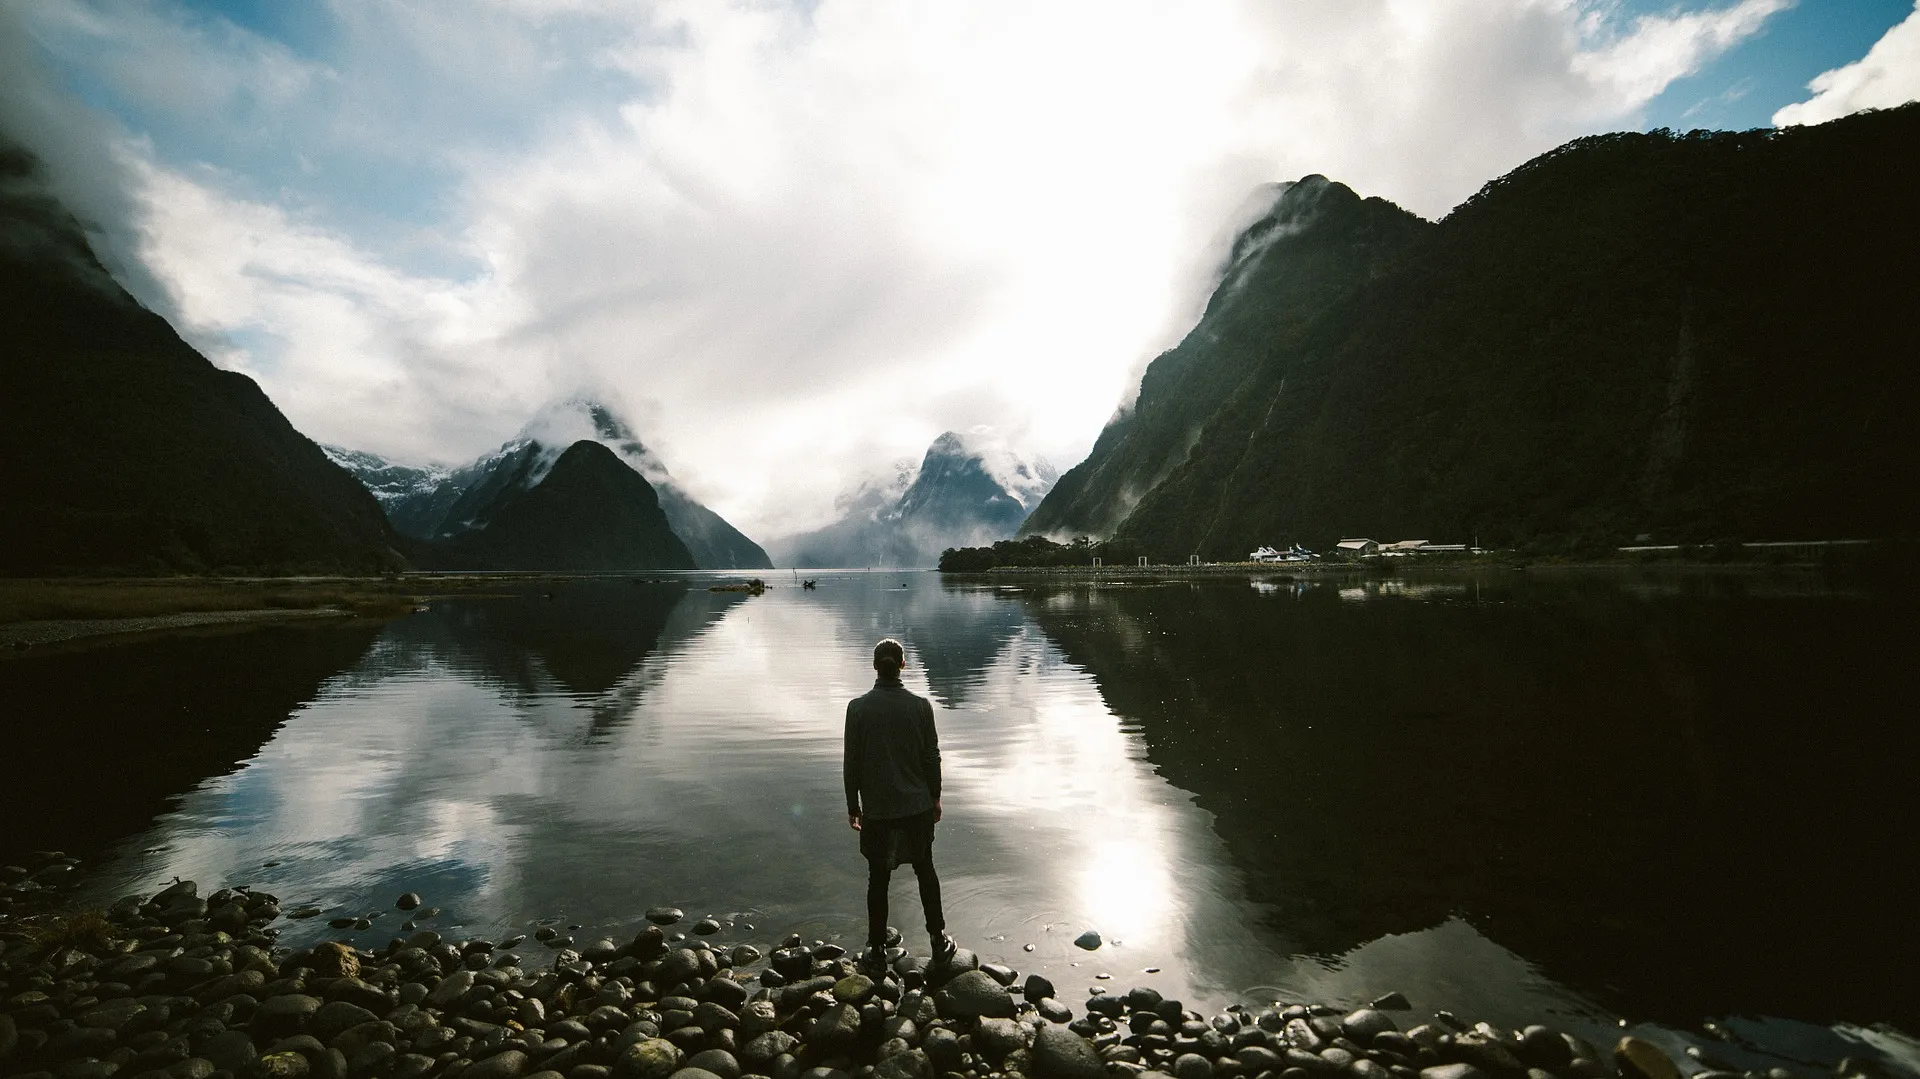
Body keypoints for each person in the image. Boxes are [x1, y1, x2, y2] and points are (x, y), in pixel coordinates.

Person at [844, 637, 956, 970]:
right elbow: (931, 757)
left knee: (878, 878)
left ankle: (877, 949)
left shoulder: (857, 708)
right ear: (903, 665)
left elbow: (853, 763)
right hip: (916, 806)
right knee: (925, 870)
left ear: (875, 666)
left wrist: (853, 806)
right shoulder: (921, 706)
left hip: (877, 809)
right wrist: (935, 797)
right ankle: (938, 940)